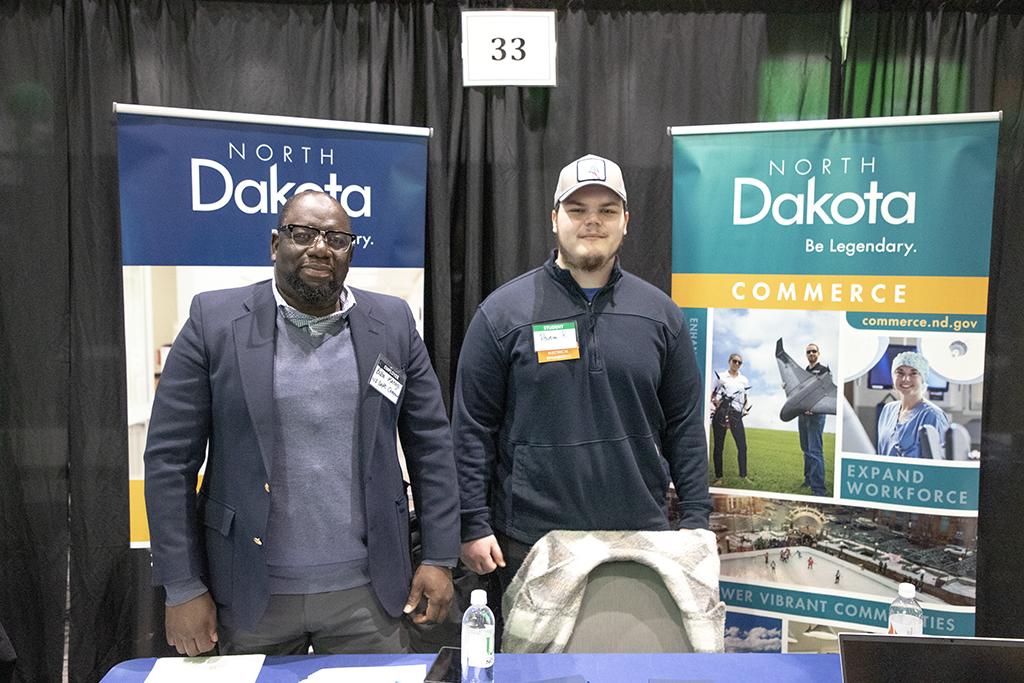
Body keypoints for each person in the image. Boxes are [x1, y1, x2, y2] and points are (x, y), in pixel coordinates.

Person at [144, 190, 460, 657]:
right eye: (303, 234)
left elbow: (431, 445)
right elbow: (169, 461)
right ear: (276, 244)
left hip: (369, 594)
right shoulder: (214, 321)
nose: (320, 248)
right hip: (248, 594)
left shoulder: (393, 322)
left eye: (336, 239)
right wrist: (182, 584)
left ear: (350, 252)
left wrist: (439, 556)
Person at [452, 154, 712, 627]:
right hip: (530, 541)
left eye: (607, 210)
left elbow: (685, 426)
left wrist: (696, 521)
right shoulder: (502, 314)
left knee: (633, 662)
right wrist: (472, 521)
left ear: (626, 222)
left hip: (640, 539)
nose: (593, 221)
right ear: (555, 219)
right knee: (533, 667)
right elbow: (473, 428)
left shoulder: (661, 315)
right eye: (577, 209)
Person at [876, 351, 950, 459]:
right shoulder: (888, 410)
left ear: (922, 378)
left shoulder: (933, 415)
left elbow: (938, 462)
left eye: (913, 373)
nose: (905, 379)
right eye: (900, 373)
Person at [711, 354, 750, 485]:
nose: (737, 364)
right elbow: (713, 394)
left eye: (740, 362)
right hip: (721, 414)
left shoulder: (744, 380)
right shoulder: (721, 377)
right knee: (719, 447)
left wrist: (745, 409)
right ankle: (719, 478)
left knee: (742, 446)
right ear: (729, 361)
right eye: (735, 361)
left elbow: (745, 399)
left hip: (736, 415)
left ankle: (743, 476)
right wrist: (716, 403)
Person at [796, 344, 829, 495]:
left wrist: (814, 408)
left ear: (818, 353)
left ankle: (818, 489)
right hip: (803, 415)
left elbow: (825, 391)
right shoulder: (804, 372)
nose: (811, 353)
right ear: (806, 354)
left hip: (815, 416)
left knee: (815, 451)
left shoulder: (824, 370)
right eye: (808, 352)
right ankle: (808, 480)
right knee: (806, 450)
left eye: (814, 351)